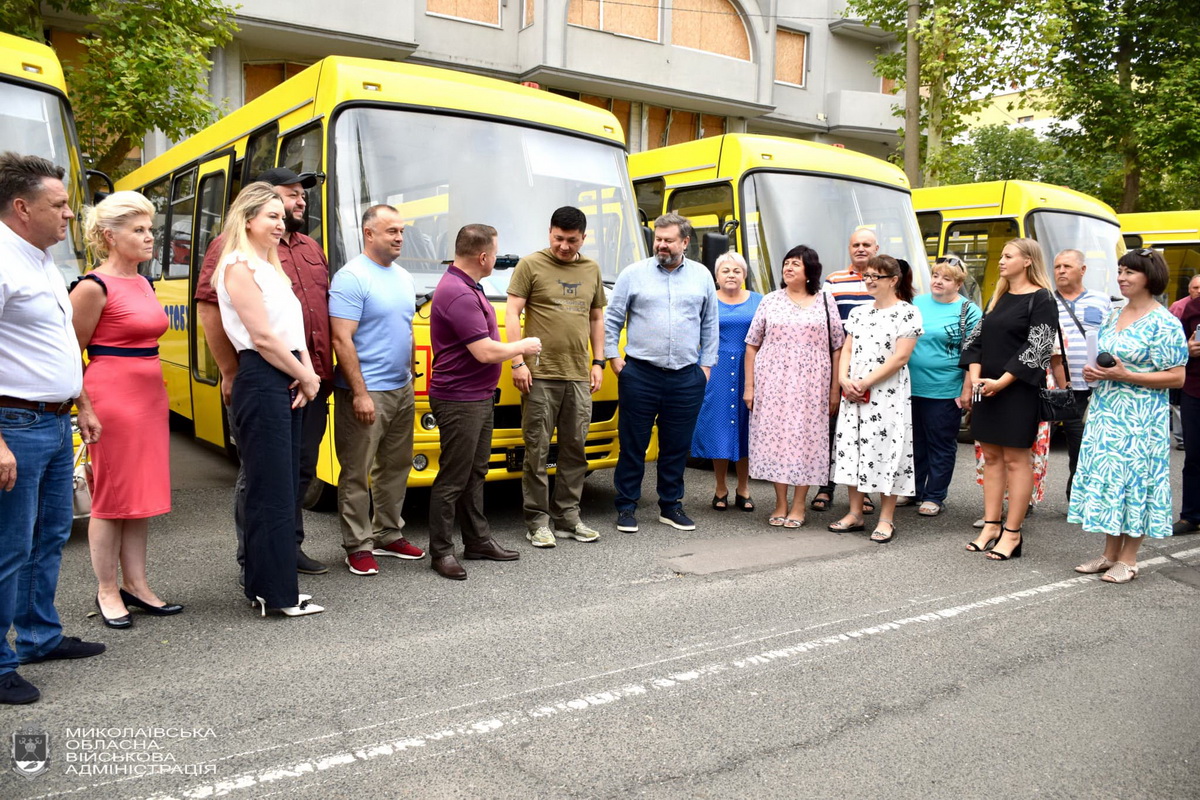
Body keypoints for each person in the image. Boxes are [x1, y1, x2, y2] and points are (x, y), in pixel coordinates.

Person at [0, 151, 105, 704]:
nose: (69, 214)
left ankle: (39, 637)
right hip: (12, 422)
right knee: (9, 547)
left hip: (54, 418)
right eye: (59, 204)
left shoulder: (41, 259)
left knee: (49, 537)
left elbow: (61, 347)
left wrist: (82, 402)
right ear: (22, 207)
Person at [196, 167, 332, 580]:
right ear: (261, 203)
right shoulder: (232, 249)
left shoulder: (310, 246)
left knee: (299, 469)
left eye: (300, 197)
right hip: (267, 376)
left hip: (310, 379)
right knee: (261, 475)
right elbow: (209, 308)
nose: (299, 202)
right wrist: (230, 371)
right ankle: (253, 557)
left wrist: (313, 373)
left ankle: (287, 549)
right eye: (290, 195)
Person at [70, 191, 180, 628]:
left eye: (149, 228)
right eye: (139, 230)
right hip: (111, 398)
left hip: (149, 397)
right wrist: (84, 407)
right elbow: (70, 353)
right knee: (110, 499)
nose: (150, 237)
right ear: (108, 236)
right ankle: (107, 589)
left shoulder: (143, 282)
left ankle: (137, 584)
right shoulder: (92, 287)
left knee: (140, 496)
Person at [427, 224, 541, 580]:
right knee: (453, 478)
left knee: (475, 473)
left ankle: (477, 541)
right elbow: (484, 351)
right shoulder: (458, 293)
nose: (497, 257)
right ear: (483, 256)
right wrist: (523, 347)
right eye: (495, 251)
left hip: (475, 397)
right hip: (460, 399)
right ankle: (441, 551)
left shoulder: (467, 285)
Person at [1068, 248, 1187, 582]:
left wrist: (1126, 376)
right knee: (1110, 483)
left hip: (1140, 418)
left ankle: (1129, 559)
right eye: (1120, 271)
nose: (1121, 277)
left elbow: (1177, 376)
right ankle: (1109, 554)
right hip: (1107, 411)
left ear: (1149, 277)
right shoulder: (1112, 314)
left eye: (1129, 272)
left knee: (1136, 483)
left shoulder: (1164, 322)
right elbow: (1106, 360)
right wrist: (1093, 372)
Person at [604, 212, 717, 533]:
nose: (662, 245)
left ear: (685, 242)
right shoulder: (633, 274)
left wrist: (706, 366)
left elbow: (709, 323)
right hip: (640, 374)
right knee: (633, 444)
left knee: (676, 446)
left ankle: (671, 506)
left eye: (669, 240)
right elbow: (612, 318)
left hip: (686, 376)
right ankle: (626, 506)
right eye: (658, 239)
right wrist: (613, 358)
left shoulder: (702, 276)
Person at [329, 205, 425, 576]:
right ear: (369, 234)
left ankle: (388, 533)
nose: (400, 237)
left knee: (396, 466)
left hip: (401, 388)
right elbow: (341, 339)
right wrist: (360, 393)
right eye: (391, 232)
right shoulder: (351, 277)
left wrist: (410, 377)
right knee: (357, 471)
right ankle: (358, 544)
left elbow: (406, 329)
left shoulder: (403, 276)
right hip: (366, 391)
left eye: (401, 231)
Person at [506, 206, 606, 548]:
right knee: (537, 450)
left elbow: (596, 318)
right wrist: (518, 361)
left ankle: (568, 517)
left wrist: (599, 362)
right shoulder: (530, 265)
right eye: (558, 238)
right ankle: (537, 521)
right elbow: (512, 313)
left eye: (572, 240)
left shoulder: (591, 268)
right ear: (550, 233)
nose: (564, 246)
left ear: (583, 237)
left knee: (575, 448)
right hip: (540, 374)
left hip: (578, 374)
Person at [961, 238, 1058, 560]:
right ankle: (991, 525)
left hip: (1018, 391)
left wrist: (1001, 382)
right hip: (987, 388)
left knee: (1017, 461)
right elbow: (976, 339)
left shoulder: (1042, 298)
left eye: (1008, 256)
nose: (1001, 261)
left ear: (1028, 260)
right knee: (990, 458)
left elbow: (1039, 348)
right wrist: (976, 378)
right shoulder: (999, 296)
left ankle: (1012, 532)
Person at [744, 246, 841, 527]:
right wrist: (750, 387)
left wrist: (835, 389)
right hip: (773, 384)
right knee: (777, 442)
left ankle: (799, 505)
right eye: (786, 263)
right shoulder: (770, 301)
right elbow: (751, 346)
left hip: (813, 387)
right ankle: (780, 503)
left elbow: (837, 347)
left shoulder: (825, 299)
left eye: (795, 264)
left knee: (808, 443)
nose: (788, 268)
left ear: (810, 270)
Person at [829, 255, 922, 543]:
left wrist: (865, 381)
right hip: (854, 390)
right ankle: (855, 512)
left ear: (893, 280)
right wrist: (844, 379)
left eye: (876, 276)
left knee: (886, 449)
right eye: (866, 275)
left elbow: (901, 357)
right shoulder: (859, 312)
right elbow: (847, 348)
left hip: (886, 394)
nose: (869, 280)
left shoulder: (907, 313)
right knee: (853, 448)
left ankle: (886, 518)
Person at [812, 227, 879, 516]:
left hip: (875, 370)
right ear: (849, 248)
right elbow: (825, 321)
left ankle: (863, 493)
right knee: (829, 429)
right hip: (837, 364)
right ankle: (825, 487)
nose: (861, 248)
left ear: (877, 249)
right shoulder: (833, 281)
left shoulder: (885, 281)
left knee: (865, 432)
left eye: (866, 244)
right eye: (856, 244)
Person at [909, 255, 981, 516]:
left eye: (946, 278)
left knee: (940, 443)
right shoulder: (915, 303)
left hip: (945, 389)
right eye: (935, 276)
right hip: (910, 387)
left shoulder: (969, 311)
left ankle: (934, 495)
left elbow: (975, 353)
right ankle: (913, 490)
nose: (938, 281)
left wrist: (966, 389)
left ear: (958, 282)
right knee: (914, 442)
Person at [691, 252, 761, 514]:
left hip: (749, 369)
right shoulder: (707, 301)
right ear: (716, 275)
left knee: (745, 427)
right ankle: (720, 487)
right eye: (725, 270)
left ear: (744, 275)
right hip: (716, 368)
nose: (731, 275)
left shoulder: (759, 301)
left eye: (736, 270)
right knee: (719, 427)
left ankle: (744, 488)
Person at [1051, 248, 1111, 498]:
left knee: (1082, 444)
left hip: (1091, 387)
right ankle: (1026, 499)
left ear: (1082, 270)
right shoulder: (1046, 301)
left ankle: (1078, 494)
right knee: (1034, 444)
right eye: (1057, 267)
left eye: (1067, 266)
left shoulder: (1101, 300)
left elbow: (1109, 338)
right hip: (1055, 386)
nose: (1061, 271)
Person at [1175, 292, 1200, 535]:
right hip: (1194, 389)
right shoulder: (1192, 307)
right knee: (1193, 456)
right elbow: (1175, 348)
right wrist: (1188, 350)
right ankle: (1191, 516)